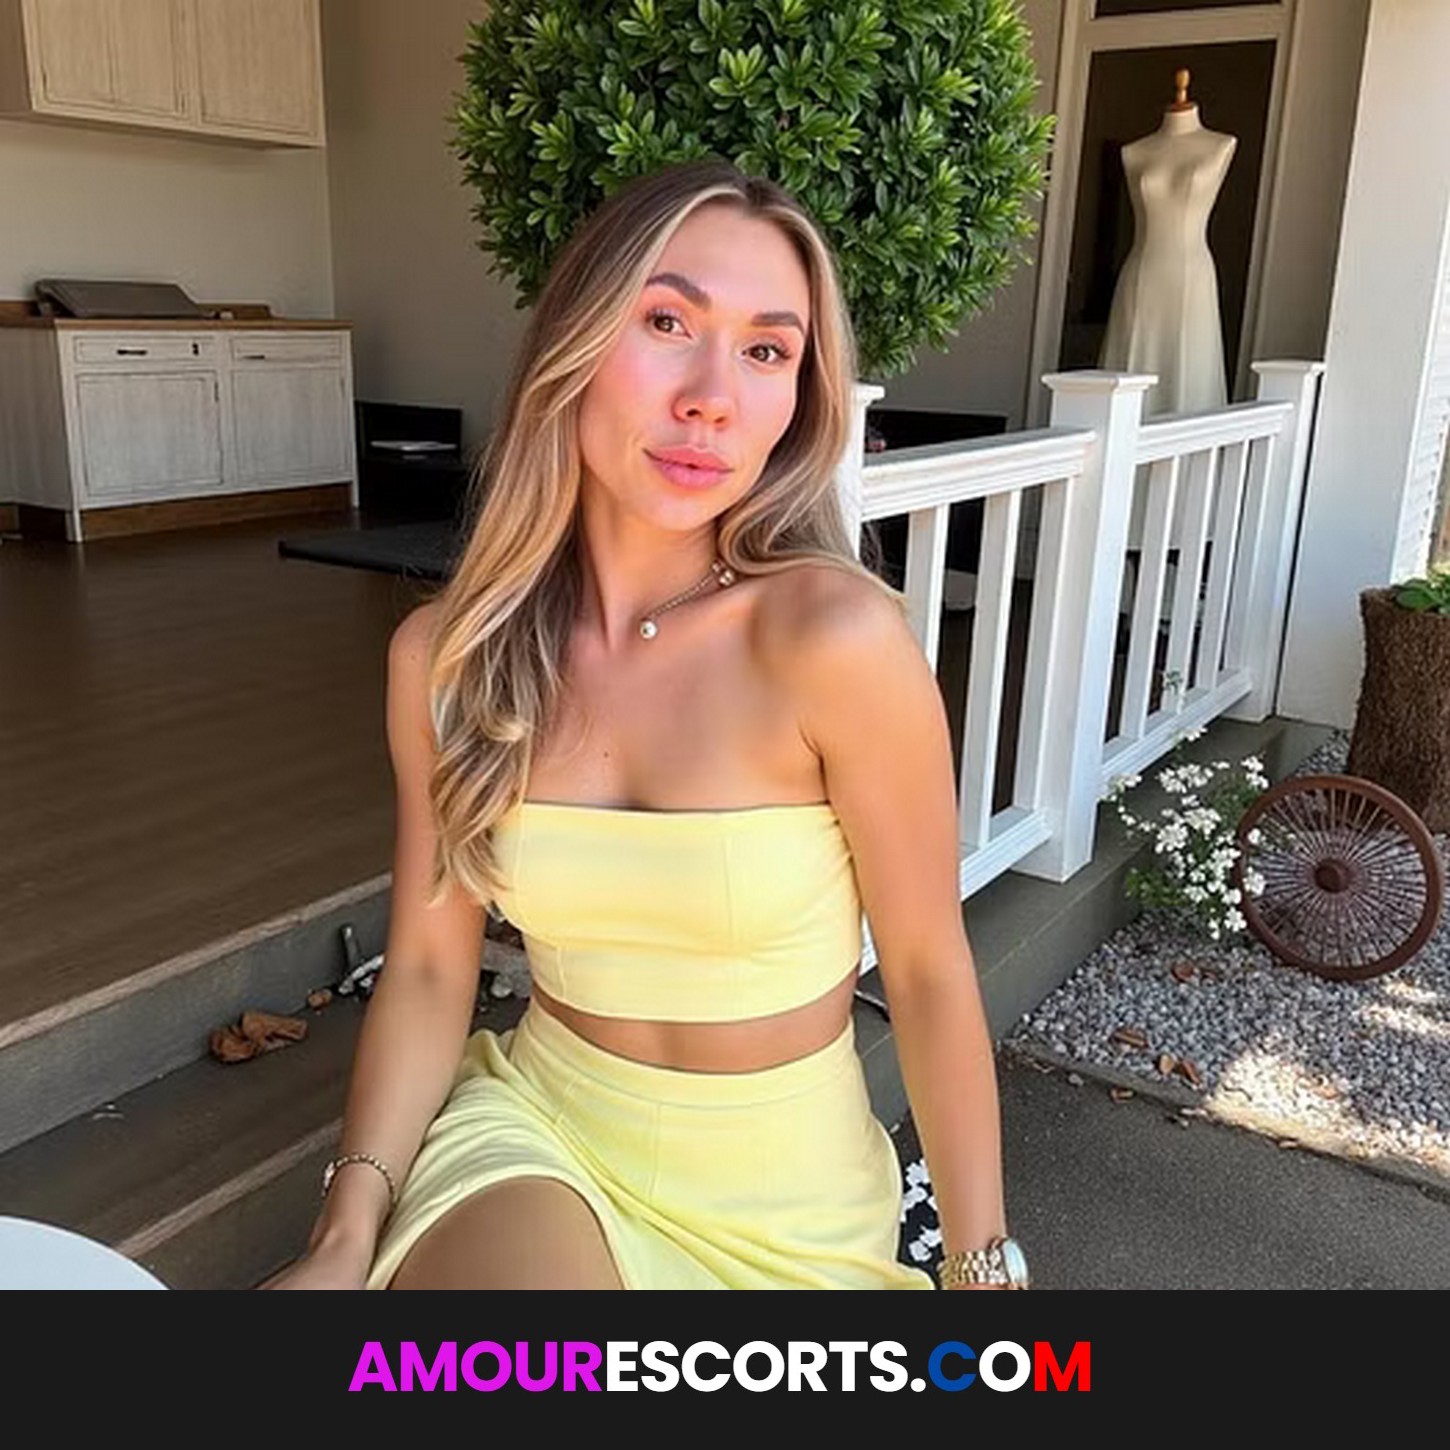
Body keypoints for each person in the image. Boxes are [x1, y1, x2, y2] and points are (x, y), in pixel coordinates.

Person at [268, 159, 1022, 1291]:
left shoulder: (834, 642)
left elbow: (925, 970)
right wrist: (342, 1229)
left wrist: (982, 1272)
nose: (712, 397)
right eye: (667, 322)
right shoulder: (448, 658)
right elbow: (426, 967)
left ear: (798, 398)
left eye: (766, 351)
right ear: (572, 344)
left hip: (789, 1198)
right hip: (538, 1139)